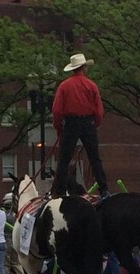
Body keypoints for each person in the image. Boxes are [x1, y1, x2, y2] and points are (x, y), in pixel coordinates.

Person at [51, 53, 111, 200]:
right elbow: (99, 110)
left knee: (64, 159)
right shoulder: (92, 86)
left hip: (71, 123)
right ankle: (104, 189)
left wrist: (59, 127)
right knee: (94, 158)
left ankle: (59, 191)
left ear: (73, 69)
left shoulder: (64, 86)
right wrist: (94, 124)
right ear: (84, 67)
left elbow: (57, 111)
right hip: (88, 122)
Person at [2, 193, 26, 274]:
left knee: (6, 264)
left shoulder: (4, 215)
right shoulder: (17, 215)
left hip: (5, 239)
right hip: (16, 240)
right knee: (17, 263)